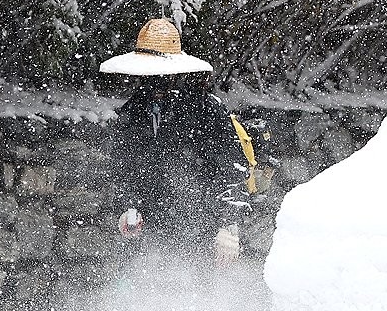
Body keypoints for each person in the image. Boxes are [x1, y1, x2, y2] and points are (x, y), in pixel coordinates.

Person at [99, 18, 272, 265]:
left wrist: (227, 225)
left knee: (196, 296)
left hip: (200, 229)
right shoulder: (132, 113)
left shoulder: (205, 110)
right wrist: (128, 207)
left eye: (159, 73)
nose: (153, 80)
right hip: (148, 237)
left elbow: (231, 167)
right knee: (141, 293)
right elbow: (125, 169)